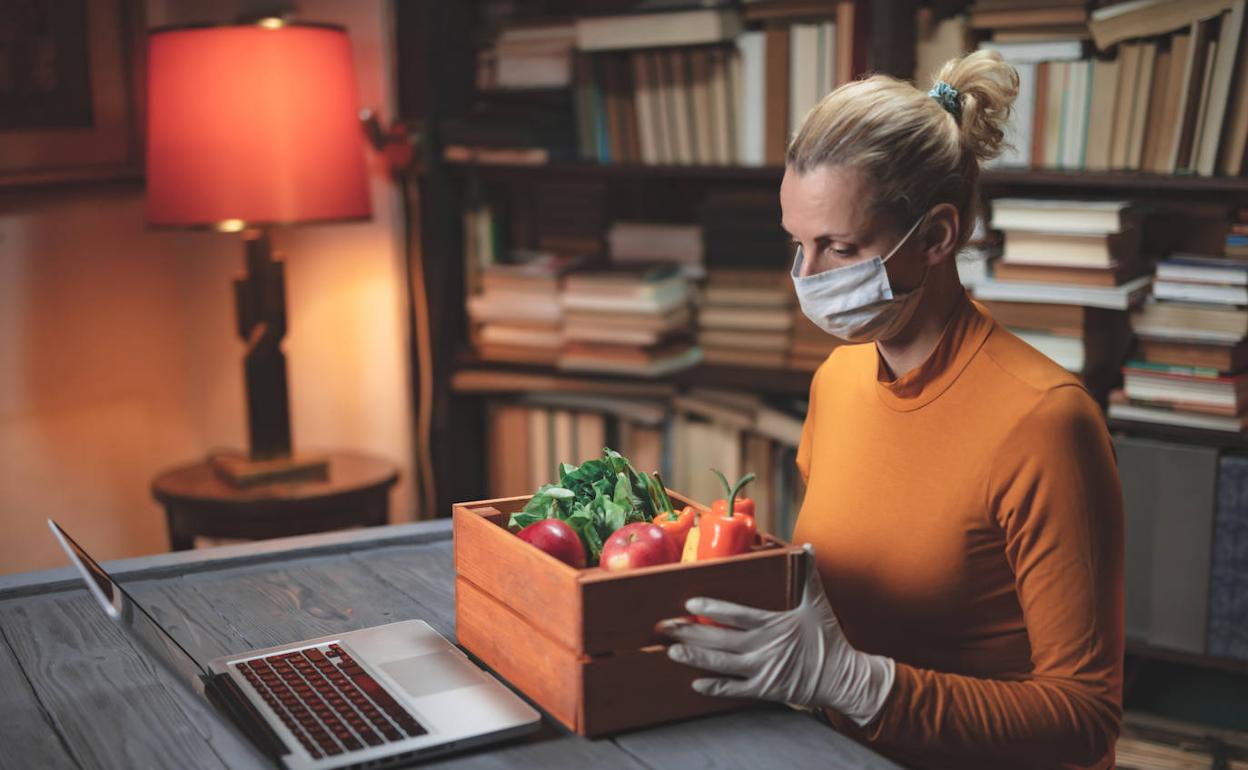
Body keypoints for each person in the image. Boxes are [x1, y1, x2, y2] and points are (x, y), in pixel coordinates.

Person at [659, 50, 1124, 770]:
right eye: (798, 246)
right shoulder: (838, 379)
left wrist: (861, 685)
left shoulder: (1046, 423)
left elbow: (1085, 718)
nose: (807, 280)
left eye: (839, 248)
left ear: (937, 236)